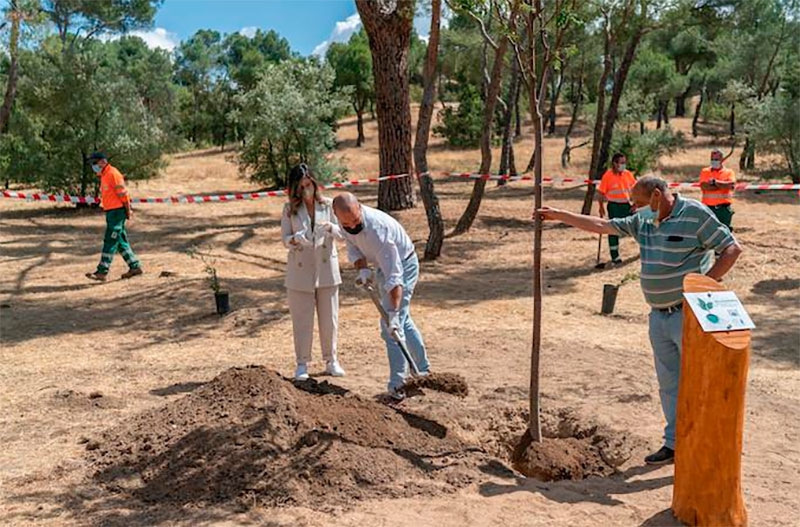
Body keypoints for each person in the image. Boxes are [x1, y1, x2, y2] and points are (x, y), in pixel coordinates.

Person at [537, 175, 742, 465]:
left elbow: (731, 248)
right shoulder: (643, 221)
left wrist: (704, 286)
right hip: (658, 317)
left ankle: (704, 446)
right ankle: (674, 445)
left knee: (698, 382)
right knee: (669, 383)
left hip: (689, 314)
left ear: (657, 196)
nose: (634, 209)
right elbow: (603, 226)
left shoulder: (695, 214)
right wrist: (560, 215)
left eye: (639, 203)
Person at [332, 192, 430, 400]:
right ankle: (423, 370)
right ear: (337, 216)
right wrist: (363, 270)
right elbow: (353, 245)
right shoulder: (345, 222)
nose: (352, 226)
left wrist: (392, 314)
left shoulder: (378, 231)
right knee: (404, 322)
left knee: (392, 328)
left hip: (404, 264)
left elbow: (395, 277)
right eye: (346, 223)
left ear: (360, 207)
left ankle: (398, 385)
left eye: (356, 221)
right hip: (381, 265)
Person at [280, 164, 346, 381]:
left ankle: (331, 359)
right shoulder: (289, 209)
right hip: (300, 270)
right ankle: (302, 363)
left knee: (330, 319)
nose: (306, 190)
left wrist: (331, 228)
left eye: (308, 184)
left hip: (326, 268)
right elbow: (285, 239)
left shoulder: (328, 205)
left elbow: (342, 234)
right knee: (301, 320)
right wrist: (295, 239)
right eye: (301, 186)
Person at [85, 152, 143, 281]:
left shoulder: (113, 174)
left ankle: (102, 271)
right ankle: (135, 266)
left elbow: (123, 194)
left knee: (110, 240)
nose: (93, 166)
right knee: (120, 241)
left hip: (117, 212)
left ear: (102, 162)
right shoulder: (104, 175)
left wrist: (128, 210)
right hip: (111, 212)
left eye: (94, 163)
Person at [597, 153, 637, 265]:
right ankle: (615, 256)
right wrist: (601, 207)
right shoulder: (607, 176)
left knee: (637, 225)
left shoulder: (628, 174)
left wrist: (635, 204)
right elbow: (601, 193)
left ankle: (644, 249)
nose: (624, 165)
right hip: (613, 206)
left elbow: (635, 190)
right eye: (621, 163)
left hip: (626, 205)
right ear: (615, 163)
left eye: (625, 162)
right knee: (613, 230)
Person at [699, 148, 736, 229]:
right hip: (707, 209)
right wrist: (722, 185)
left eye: (716, 159)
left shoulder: (729, 172)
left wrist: (715, 182)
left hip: (723, 210)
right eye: (712, 159)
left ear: (722, 159)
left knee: (725, 232)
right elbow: (705, 187)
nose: (713, 161)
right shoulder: (705, 171)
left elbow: (730, 185)